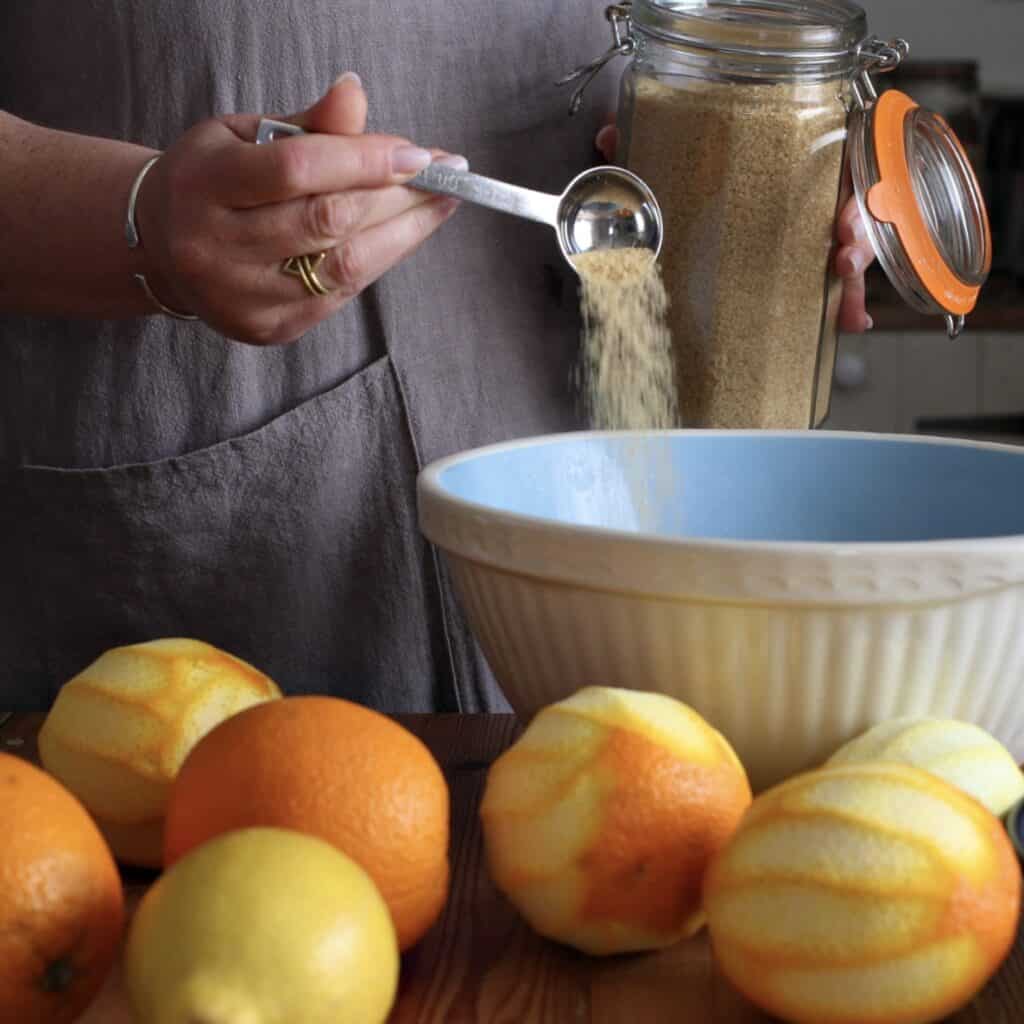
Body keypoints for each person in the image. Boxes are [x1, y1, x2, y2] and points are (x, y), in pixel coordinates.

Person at [0, 3, 874, 713]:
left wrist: (777, 171)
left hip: (593, 472)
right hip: (203, 474)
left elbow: (711, 36)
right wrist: (140, 219)